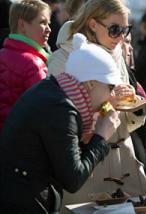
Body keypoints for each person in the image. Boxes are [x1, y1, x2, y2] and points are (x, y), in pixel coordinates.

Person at [0, 33, 122, 213]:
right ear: (90, 85)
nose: (112, 96)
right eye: (110, 87)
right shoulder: (61, 109)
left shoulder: (53, 89)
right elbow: (73, 179)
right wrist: (101, 137)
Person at [48, 0, 146, 208]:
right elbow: (63, 120)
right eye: (115, 29)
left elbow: (126, 123)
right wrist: (110, 102)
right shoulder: (62, 58)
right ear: (93, 24)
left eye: (125, 29)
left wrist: (132, 104)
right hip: (88, 169)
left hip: (124, 163)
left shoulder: (117, 53)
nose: (122, 37)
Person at [0, 0, 51, 131]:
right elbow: (44, 109)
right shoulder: (34, 64)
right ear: (22, 25)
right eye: (42, 22)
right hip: (23, 141)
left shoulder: (2, 54)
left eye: (48, 24)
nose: (49, 29)